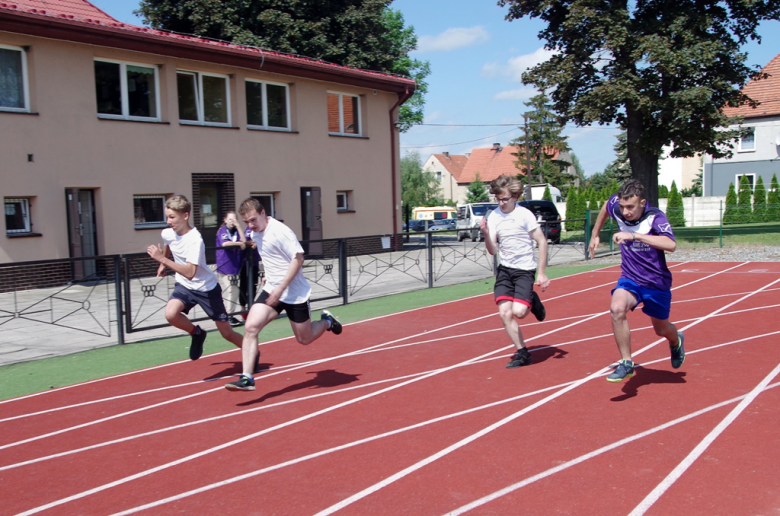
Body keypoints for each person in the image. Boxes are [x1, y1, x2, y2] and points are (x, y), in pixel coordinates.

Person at [225, 197, 342, 391]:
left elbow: (298, 259)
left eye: (253, 220)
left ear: (263, 213)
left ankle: (327, 321)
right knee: (251, 326)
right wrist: (270, 279)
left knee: (304, 339)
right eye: (246, 222)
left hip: (294, 293)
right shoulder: (255, 232)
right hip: (272, 290)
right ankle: (247, 378)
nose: (250, 225)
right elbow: (272, 256)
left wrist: (281, 288)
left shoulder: (281, 232)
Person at [588, 179, 685, 382]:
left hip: (656, 283)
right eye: (622, 207)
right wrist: (595, 234)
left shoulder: (655, 217)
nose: (625, 212)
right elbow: (607, 204)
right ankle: (626, 363)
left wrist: (635, 236)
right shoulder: (617, 206)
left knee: (661, 330)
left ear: (642, 202)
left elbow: (670, 244)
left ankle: (676, 341)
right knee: (616, 308)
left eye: (630, 207)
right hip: (630, 278)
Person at [147, 195, 247, 362]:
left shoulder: (195, 240)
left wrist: (162, 260)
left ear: (185, 216)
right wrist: (162, 265)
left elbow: (190, 272)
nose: (168, 221)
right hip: (184, 286)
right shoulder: (167, 233)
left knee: (227, 333)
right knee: (171, 314)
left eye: (172, 217)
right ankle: (197, 334)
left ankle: (252, 352)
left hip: (206, 288)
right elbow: (168, 245)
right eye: (167, 216)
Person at [480, 175, 550, 368]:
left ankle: (532, 299)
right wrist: (486, 233)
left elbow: (542, 242)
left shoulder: (525, 215)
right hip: (505, 270)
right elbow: (493, 250)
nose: (501, 203)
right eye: (498, 199)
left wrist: (541, 273)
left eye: (505, 199)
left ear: (515, 196)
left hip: (525, 270)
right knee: (504, 312)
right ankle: (522, 352)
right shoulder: (493, 216)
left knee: (519, 312)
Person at [215, 211, 245, 327]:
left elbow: (243, 240)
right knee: (233, 290)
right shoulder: (222, 230)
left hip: (234, 265)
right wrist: (238, 244)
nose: (232, 222)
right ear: (225, 220)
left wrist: (238, 226)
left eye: (234, 219)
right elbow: (224, 244)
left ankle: (229, 316)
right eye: (230, 219)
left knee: (233, 290)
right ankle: (228, 316)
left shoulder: (236, 230)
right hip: (225, 264)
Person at [238, 221, 260, 316]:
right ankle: (243, 309)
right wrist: (250, 243)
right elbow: (243, 242)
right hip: (244, 262)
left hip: (254, 262)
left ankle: (251, 307)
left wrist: (257, 243)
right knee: (243, 286)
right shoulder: (247, 230)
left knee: (253, 286)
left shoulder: (260, 229)